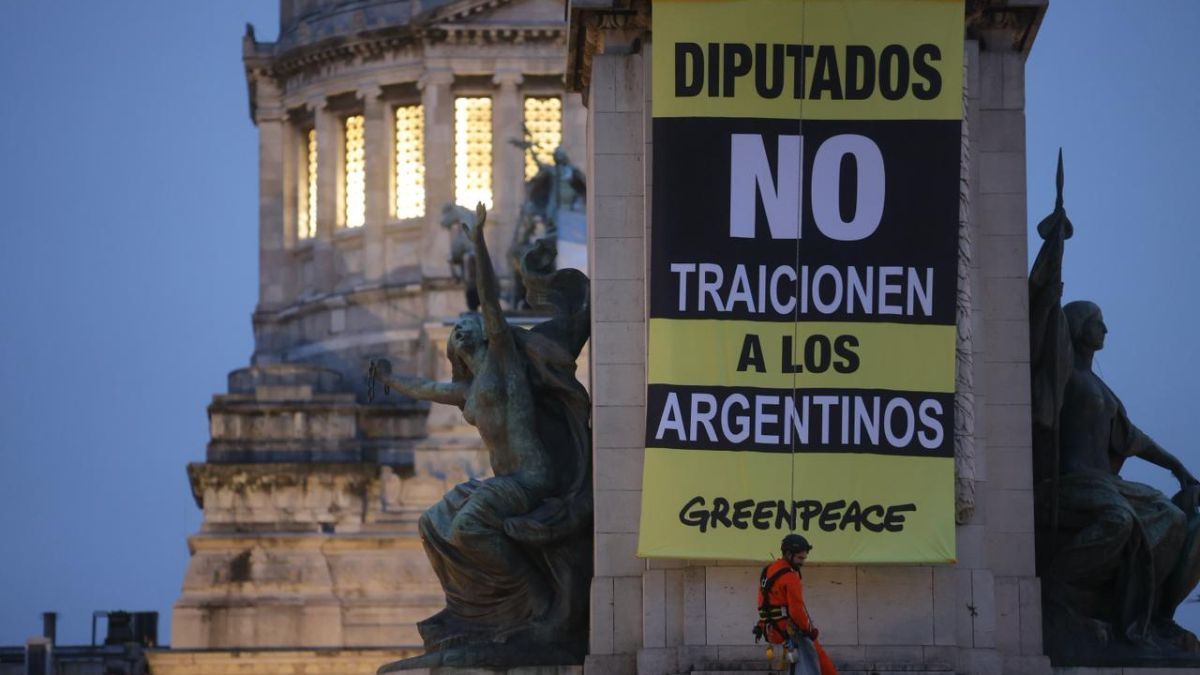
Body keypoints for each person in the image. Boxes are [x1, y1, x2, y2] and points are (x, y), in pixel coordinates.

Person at [369, 203, 593, 663]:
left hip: (531, 477)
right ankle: (476, 610)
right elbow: (428, 387)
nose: (464, 329)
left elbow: (490, 302)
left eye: (470, 326)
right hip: (504, 482)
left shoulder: (505, 363)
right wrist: (390, 379)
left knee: (469, 525)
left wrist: (478, 244)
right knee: (433, 521)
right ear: (454, 347)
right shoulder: (468, 389)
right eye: (458, 330)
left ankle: (534, 603)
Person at [1029, 157, 1200, 649]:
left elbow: (1133, 438)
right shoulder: (1062, 374)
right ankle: (1058, 589)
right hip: (1067, 485)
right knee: (1120, 521)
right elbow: (1044, 314)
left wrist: (1179, 469)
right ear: (1079, 326)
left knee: (1171, 520)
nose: (1105, 328)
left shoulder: (1104, 392)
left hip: (1106, 485)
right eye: (1098, 320)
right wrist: (1054, 248)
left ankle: (1149, 616)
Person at [756, 534, 838, 675]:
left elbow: (764, 601)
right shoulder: (790, 576)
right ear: (788, 554)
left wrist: (760, 624)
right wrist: (809, 631)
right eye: (800, 558)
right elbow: (797, 610)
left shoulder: (768, 570)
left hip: (770, 630)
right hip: (789, 631)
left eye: (804, 558)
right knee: (819, 660)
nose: (802, 562)